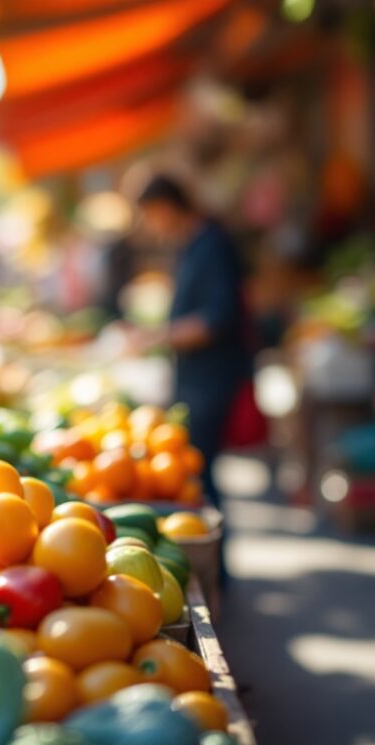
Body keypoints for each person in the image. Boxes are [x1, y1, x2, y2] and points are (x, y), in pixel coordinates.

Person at [130, 175, 253, 510]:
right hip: (197, 378)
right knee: (199, 477)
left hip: (211, 379)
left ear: (166, 206)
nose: (151, 225)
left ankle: (217, 560)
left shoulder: (211, 245)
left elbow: (217, 318)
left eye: (151, 214)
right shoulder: (193, 245)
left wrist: (158, 336)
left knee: (200, 477)